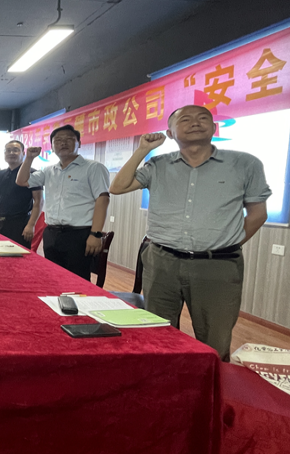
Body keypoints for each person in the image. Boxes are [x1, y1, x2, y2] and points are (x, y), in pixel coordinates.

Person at [109, 105, 270, 360]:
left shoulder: (244, 164)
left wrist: (226, 243)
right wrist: (142, 150)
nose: (195, 122)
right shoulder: (158, 164)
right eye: (185, 119)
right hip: (162, 261)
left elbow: (258, 214)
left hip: (217, 267)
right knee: (157, 332)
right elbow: (118, 187)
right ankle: (164, 381)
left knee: (214, 340)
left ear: (214, 128)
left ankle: (209, 383)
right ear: (170, 133)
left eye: (202, 118)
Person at [17, 125, 110, 281]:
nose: (63, 143)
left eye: (69, 139)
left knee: (77, 281)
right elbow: (22, 181)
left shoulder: (93, 168)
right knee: (53, 278)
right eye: (58, 140)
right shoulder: (48, 170)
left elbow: (103, 199)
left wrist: (96, 234)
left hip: (79, 235)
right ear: (52, 147)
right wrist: (29, 158)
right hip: (52, 233)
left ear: (79, 143)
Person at [0, 140, 43, 249]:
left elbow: (38, 201)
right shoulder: (0, 174)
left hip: (20, 224)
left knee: (18, 255)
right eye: (8, 150)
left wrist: (31, 225)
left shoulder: (32, 173)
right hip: (0, 223)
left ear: (23, 153)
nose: (11, 153)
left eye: (15, 150)